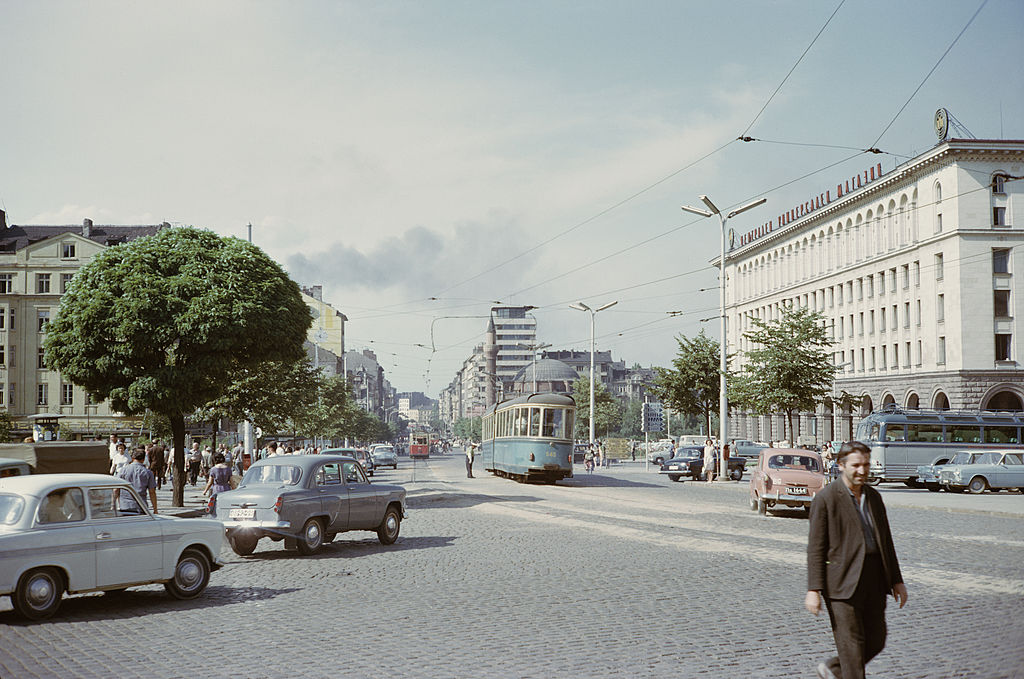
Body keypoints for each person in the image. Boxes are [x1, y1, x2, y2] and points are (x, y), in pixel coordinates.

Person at [805, 441, 908, 679]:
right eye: (856, 465)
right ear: (841, 465)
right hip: (842, 584)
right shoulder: (826, 499)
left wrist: (896, 580)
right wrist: (813, 589)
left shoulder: (874, 497)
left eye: (866, 465)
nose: (862, 471)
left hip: (874, 579)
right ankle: (845, 670)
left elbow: (886, 542)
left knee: (876, 640)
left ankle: (833, 669)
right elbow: (815, 548)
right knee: (851, 647)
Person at [115, 448, 158, 514]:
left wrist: (112, 505)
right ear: (143, 459)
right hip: (141, 506)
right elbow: (152, 492)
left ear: (132, 458)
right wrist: (155, 509)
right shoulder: (148, 473)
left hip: (125, 506)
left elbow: (116, 489)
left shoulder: (123, 470)